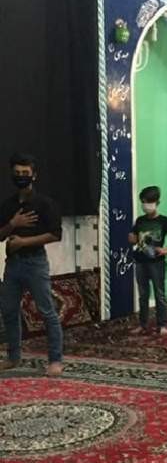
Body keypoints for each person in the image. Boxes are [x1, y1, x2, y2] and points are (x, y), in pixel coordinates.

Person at [0, 153, 65, 377]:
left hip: (35, 263)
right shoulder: (8, 204)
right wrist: (13, 223)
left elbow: (55, 234)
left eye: (25, 173)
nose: (21, 177)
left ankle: (55, 360)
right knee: (9, 311)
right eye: (17, 173)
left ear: (34, 175)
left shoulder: (45, 203)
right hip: (12, 264)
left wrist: (23, 242)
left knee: (47, 312)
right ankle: (13, 357)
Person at [128, 185, 167, 335]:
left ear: (157, 203)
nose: (145, 205)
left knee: (159, 293)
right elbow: (134, 238)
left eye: (149, 202)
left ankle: (162, 324)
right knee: (143, 295)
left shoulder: (164, 221)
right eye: (143, 202)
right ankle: (143, 324)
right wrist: (132, 239)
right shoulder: (140, 220)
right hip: (140, 261)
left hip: (156, 262)